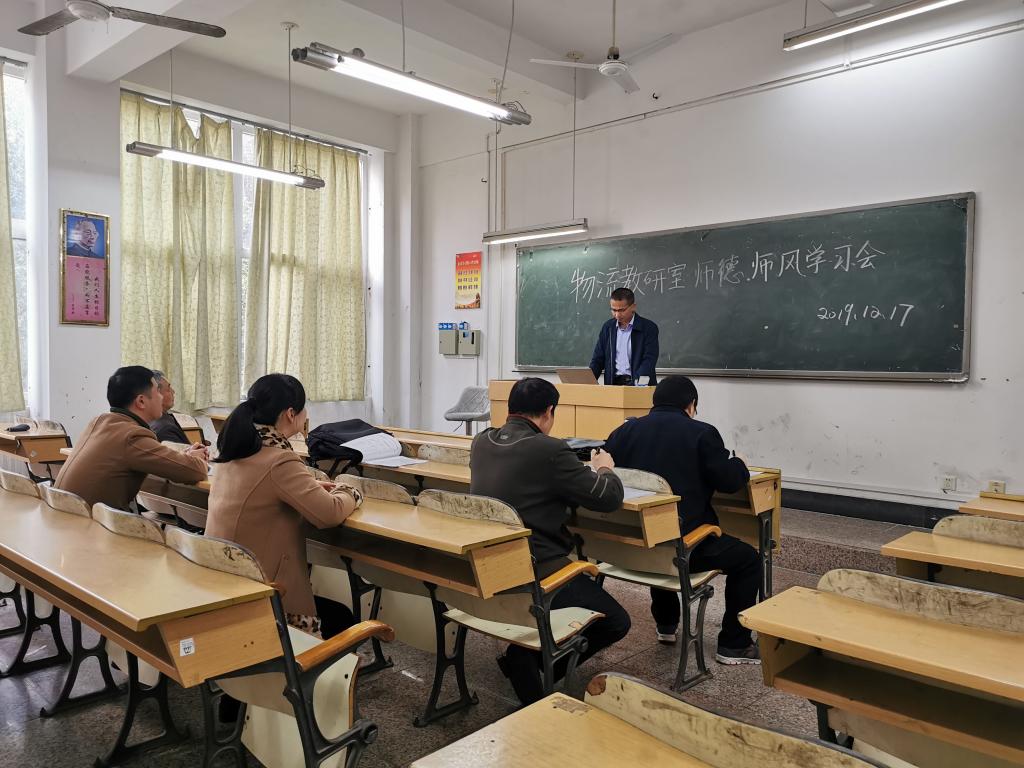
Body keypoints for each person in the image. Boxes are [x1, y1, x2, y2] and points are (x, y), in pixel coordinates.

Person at [470, 377, 631, 704]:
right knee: (616, 621)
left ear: (510, 409)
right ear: (549, 411)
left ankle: (528, 662)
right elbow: (608, 498)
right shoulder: (551, 450)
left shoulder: (482, 441)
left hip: (490, 563)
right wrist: (604, 468)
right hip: (537, 568)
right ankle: (533, 664)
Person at [603, 375, 761, 664]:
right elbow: (728, 482)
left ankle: (666, 624)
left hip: (635, 546)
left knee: (658, 524)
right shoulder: (702, 433)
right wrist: (740, 463)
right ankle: (734, 644)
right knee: (749, 559)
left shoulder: (623, 432)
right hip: (685, 550)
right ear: (691, 405)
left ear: (654, 403)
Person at [206, 373, 361, 640]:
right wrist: (349, 491)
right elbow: (330, 513)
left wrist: (310, 488)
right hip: (268, 597)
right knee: (343, 618)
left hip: (229, 585)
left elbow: (266, 488)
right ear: (291, 414)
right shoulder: (279, 460)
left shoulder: (234, 450)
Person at [54, 366, 208, 509]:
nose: (161, 397)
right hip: (86, 525)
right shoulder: (132, 436)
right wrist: (198, 459)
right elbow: (195, 472)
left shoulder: (100, 422)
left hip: (64, 514)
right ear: (141, 401)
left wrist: (185, 456)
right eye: (157, 392)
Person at [589, 287, 659, 386]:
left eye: (622, 310)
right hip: (613, 385)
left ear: (633, 307)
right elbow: (598, 359)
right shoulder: (608, 328)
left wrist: (633, 385)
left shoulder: (648, 328)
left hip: (638, 385)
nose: (617, 315)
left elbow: (649, 361)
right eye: (614, 310)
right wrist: (587, 381)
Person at [148, 371, 190, 444]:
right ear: (156, 394)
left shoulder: (165, 417)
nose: (173, 391)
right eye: (168, 389)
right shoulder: (164, 429)